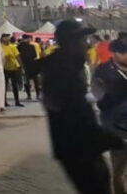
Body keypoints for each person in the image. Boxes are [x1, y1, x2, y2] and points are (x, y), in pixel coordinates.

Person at [41, 19, 123, 193]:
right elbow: (71, 114)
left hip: (81, 147)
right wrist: (107, 138)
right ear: (71, 42)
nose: (86, 45)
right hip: (78, 149)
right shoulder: (62, 70)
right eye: (82, 40)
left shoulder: (67, 66)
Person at [92, 38, 127, 194]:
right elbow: (98, 96)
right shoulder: (103, 70)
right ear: (113, 53)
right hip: (116, 126)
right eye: (123, 52)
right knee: (119, 169)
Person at [1, 34, 24, 108]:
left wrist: (21, 66)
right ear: (2, 39)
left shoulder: (13, 47)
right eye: (6, 38)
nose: (7, 39)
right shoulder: (0, 47)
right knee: (4, 86)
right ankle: (4, 101)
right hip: (5, 68)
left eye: (8, 37)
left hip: (14, 67)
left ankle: (17, 101)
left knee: (15, 85)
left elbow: (18, 56)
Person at [17, 34, 41, 101]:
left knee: (32, 81)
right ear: (24, 39)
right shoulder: (21, 47)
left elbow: (35, 55)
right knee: (30, 81)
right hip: (27, 65)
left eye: (29, 39)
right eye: (28, 38)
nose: (29, 40)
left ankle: (33, 95)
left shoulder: (21, 46)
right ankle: (32, 95)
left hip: (29, 65)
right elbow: (34, 55)